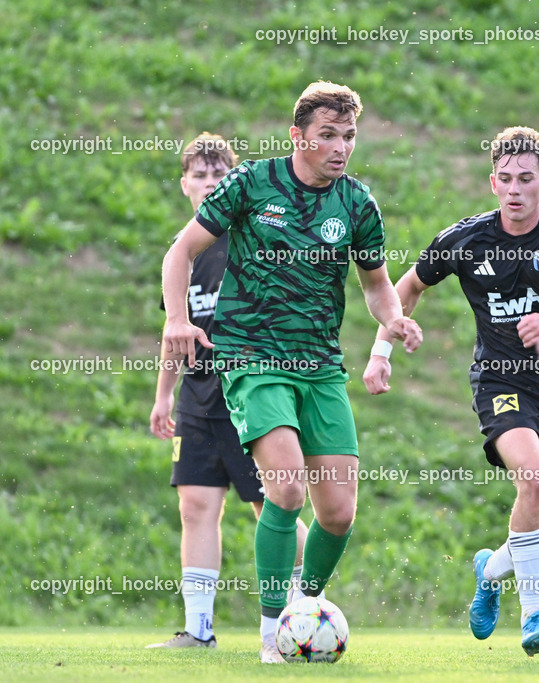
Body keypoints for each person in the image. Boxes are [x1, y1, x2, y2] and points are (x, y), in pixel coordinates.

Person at [161, 82, 422, 663]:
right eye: (328, 135)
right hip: (254, 359)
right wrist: (178, 320)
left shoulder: (357, 204)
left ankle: (307, 604)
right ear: (297, 136)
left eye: (349, 136)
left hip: (321, 368)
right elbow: (178, 252)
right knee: (285, 486)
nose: (341, 148)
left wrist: (395, 320)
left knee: (339, 512)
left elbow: (377, 286)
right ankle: (272, 629)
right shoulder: (253, 184)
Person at [363, 126, 539, 657]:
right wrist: (381, 351)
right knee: (532, 480)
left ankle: (492, 569)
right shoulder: (466, 240)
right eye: (505, 179)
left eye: (526, 179)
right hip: (501, 383)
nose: (515, 189)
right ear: (492, 182)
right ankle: (534, 615)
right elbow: (408, 287)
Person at [147, 133, 309, 649]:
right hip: (197, 399)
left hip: (249, 393)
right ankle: (198, 630)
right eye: (200, 174)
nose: (211, 183)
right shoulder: (183, 251)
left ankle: (309, 604)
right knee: (195, 505)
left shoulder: (250, 241)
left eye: (220, 175)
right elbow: (176, 332)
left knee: (274, 507)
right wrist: (163, 396)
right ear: (184, 184)